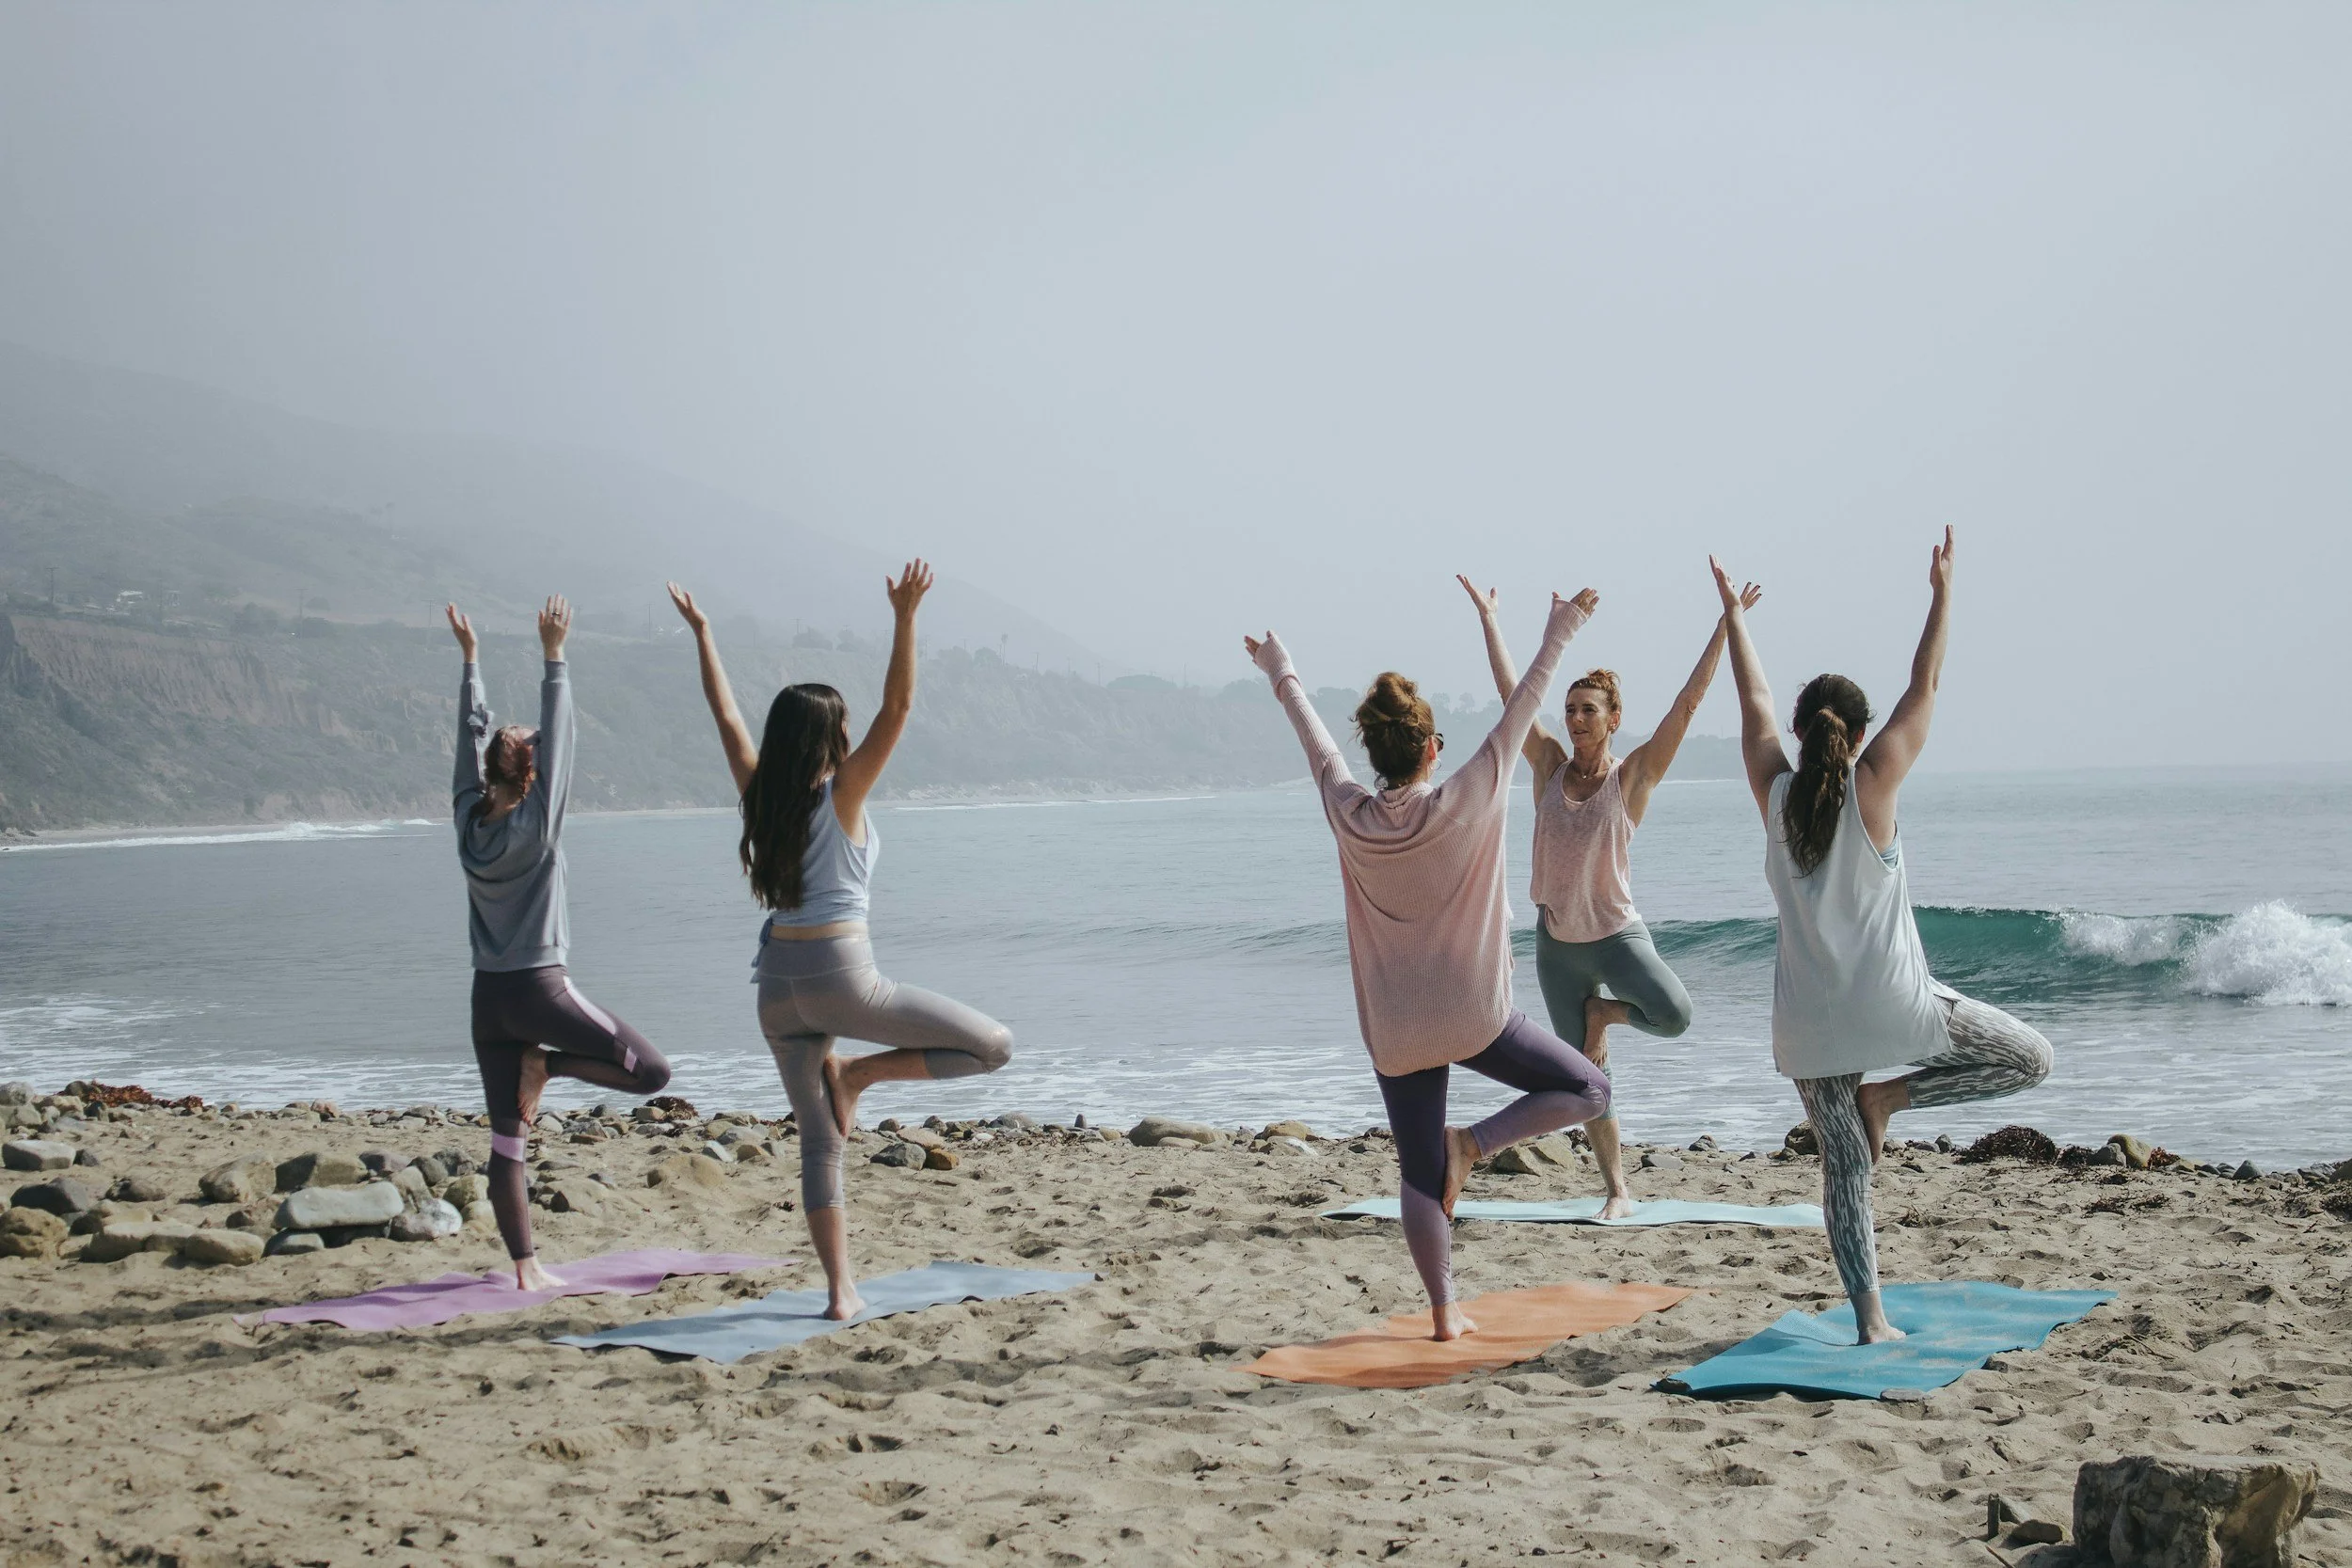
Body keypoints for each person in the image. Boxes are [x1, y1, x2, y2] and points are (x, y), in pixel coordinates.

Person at [1712, 531, 2051, 1342]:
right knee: (2031, 1059)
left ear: (1800, 735)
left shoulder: (1775, 793)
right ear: (1858, 736)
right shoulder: (1877, 784)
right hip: (1896, 1008)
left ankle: (1871, 1321)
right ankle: (1893, 1094)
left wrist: (1735, 620)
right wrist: (1942, 592)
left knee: (1845, 1171)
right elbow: (1925, 682)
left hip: (1810, 1027)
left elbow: (1751, 707)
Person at [1247, 590, 1613, 1341]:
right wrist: (1561, 628)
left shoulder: (1347, 811)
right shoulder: (1468, 796)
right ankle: (1473, 1143)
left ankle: (1445, 1315)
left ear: (1377, 756)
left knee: (1417, 1174)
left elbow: (1315, 741)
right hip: (1476, 1015)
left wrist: (1279, 669)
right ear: (1431, 749)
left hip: (1397, 1029)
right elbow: (1526, 704)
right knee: (1590, 1088)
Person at [669, 563, 1012, 1321]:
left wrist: (704, 635)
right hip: (839, 977)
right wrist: (905, 616)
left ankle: (840, 1292)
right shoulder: (842, 792)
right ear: (833, 736)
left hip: (774, 992)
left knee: (818, 1146)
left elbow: (725, 717)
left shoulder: (761, 795)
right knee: (993, 1046)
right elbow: (901, 706)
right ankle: (857, 1074)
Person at [1458, 574, 1762, 1217]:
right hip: (1558, 946)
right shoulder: (1544, 765)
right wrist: (1490, 619)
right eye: (1570, 709)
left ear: (1614, 718)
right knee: (1588, 1084)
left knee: (1675, 1014)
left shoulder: (1635, 777)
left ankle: (1606, 1015)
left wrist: (1724, 625)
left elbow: (1687, 704)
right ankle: (1617, 1189)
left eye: (1587, 709)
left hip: (1619, 937)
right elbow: (1516, 696)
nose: (1573, 719)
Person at [449, 595, 673, 1291]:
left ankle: (526, 1267)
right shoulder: (540, 824)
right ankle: (548, 1067)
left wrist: (472, 664)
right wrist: (554, 655)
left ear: (489, 772)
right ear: (533, 775)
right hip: (542, 992)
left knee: (506, 1140)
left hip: (489, 1000)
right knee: (651, 1072)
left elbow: (467, 740)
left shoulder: (466, 819)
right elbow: (563, 733)